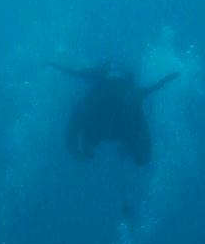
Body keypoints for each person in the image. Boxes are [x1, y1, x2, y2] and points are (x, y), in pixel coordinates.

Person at [48, 60, 179, 166]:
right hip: (118, 128)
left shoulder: (94, 100)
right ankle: (98, 149)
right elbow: (154, 88)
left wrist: (75, 151)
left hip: (103, 128)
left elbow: (73, 126)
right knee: (140, 156)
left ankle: (91, 149)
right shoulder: (131, 96)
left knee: (84, 119)